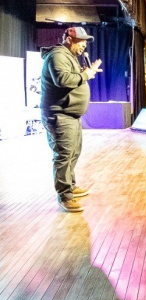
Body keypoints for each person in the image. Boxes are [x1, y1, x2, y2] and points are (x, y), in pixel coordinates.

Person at [40, 27, 103, 212]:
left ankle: (71, 186)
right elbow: (62, 79)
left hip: (70, 115)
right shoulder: (58, 55)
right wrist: (86, 74)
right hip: (59, 115)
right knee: (63, 155)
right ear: (69, 39)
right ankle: (65, 196)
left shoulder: (70, 58)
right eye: (81, 41)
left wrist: (84, 72)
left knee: (73, 153)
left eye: (85, 42)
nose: (84, 45)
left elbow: (71, 78)